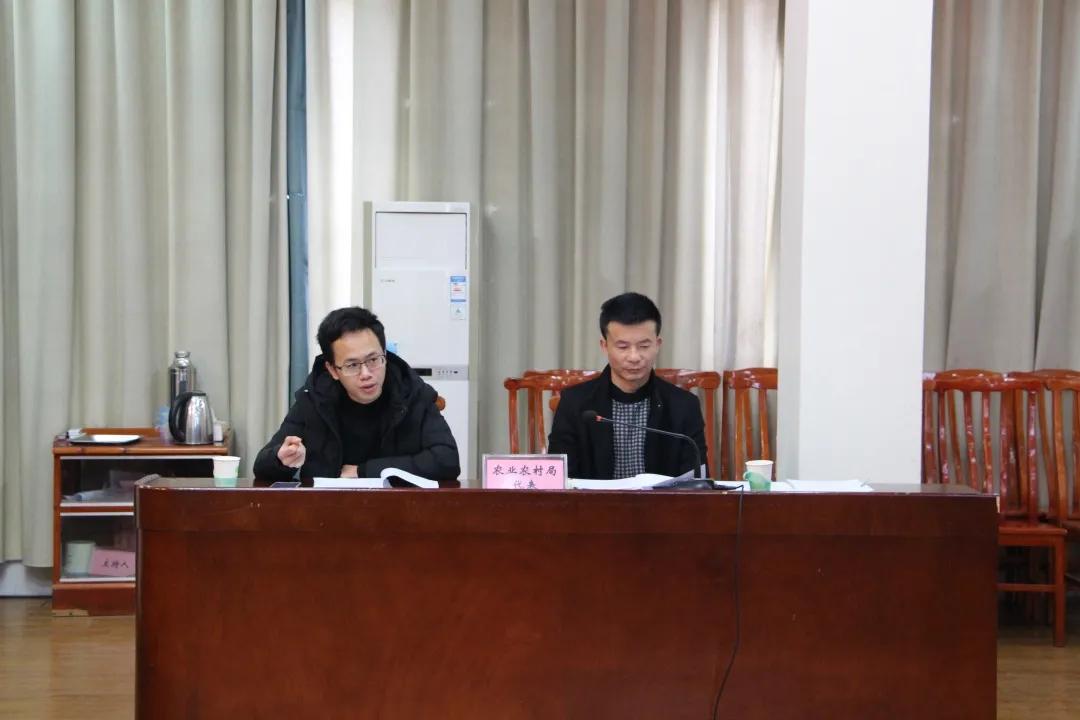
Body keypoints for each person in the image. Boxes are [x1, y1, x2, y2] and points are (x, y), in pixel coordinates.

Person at [254, 306, 460, 482]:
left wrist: (363, 472)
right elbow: (262, 467)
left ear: (385, 355)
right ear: (333, 370)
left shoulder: (412, 393)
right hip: (330, 511)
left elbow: (447, 460)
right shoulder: (315, 398)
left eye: (373, 360)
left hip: (401, 510)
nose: (366, 374)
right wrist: (281, 459)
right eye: (352, 365)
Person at [547, 292, 706, 479]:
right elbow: (560, 481)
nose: (634, 357)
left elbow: (695, 483)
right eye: (623, 347)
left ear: (657, 344)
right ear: (604, 346)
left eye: (644, 346)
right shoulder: (575, 404)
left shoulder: (684, 406)